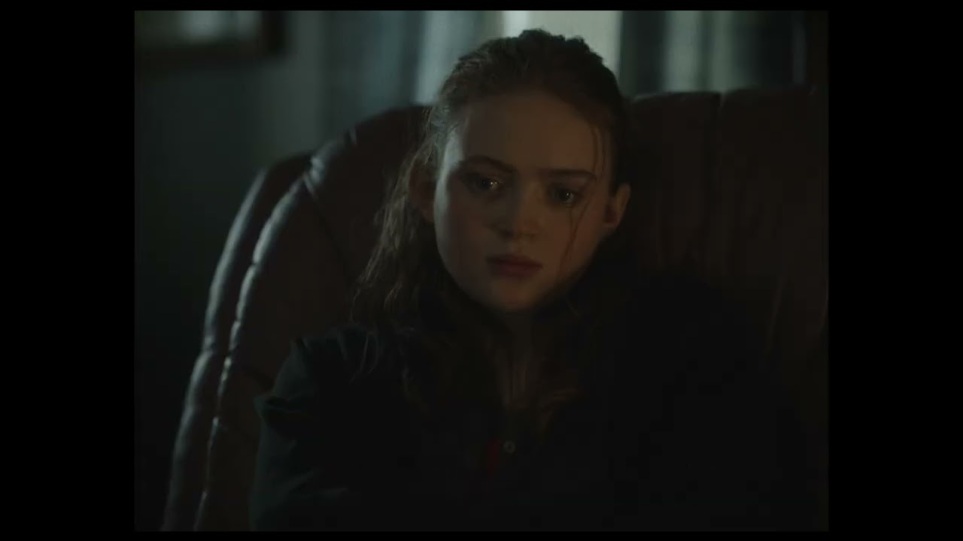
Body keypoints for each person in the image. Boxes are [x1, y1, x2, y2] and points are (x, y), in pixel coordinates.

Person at [249, 29, 818, 531]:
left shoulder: (692, 351)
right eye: (485, 183)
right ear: (425, 188)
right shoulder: (331, 382)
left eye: (564, 194)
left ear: (611, 212)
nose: (519, 223)